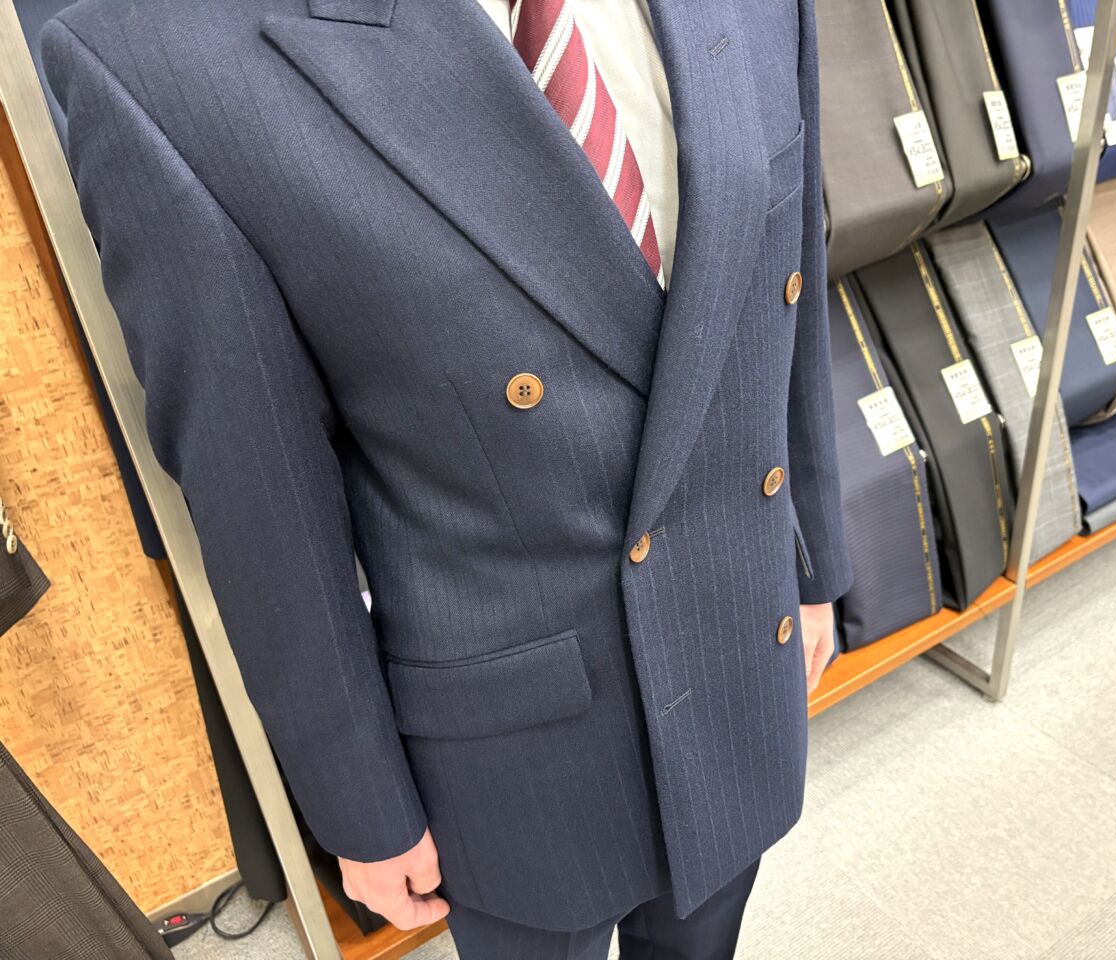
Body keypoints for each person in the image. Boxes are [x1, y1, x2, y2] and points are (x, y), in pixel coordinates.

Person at [43, 0, 851, 955]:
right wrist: (359, 803)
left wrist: (808, 565)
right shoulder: (155, 56)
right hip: (517, 751)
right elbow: (257, 496)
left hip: (737, 641)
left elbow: (787, 273)